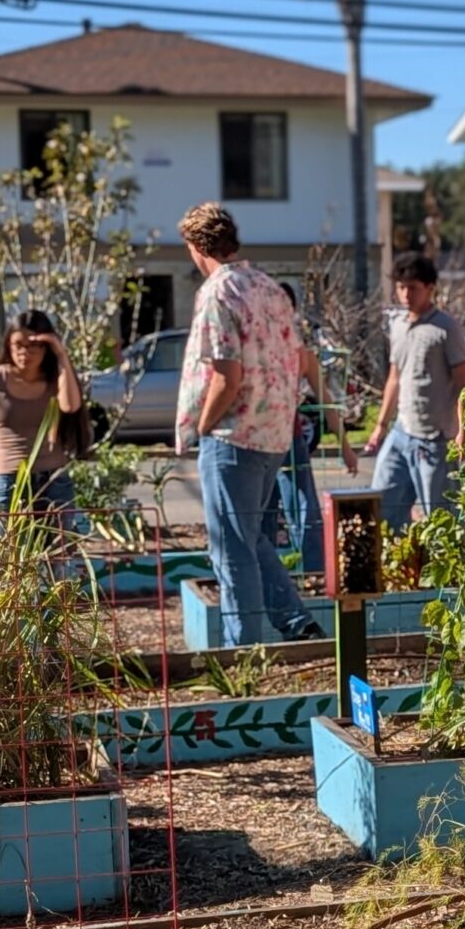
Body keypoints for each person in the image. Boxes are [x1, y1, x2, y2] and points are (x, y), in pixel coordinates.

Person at [175, 202, 322, 645]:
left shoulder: (217, 292)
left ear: (198, 246)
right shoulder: (270, 288)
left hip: (232, 434)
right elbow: (295, 358)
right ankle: (296, 622)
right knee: (253, 537)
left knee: (231, 548)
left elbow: (225, 375)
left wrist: (201, 425)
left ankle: (244, 649)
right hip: (273, 431)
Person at [0, 308, 85, 522]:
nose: (24, 353)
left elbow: (71, 406)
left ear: (46, 348)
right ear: (8, 344)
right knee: (6, 554)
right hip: (9, 482)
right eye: (18, 345)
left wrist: (61, 354)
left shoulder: (56, 379)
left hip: (54, 481)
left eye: (34, 346)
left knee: (59, 555)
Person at [366, 252, 465, 532]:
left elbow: (463, 384)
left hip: (435, 440)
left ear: (429, 288)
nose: (405, 294)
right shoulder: (397, 324)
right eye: (401, 287)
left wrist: (463, 429)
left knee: (441, 524)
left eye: (412, 287)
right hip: (401, 433)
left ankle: (447, 577)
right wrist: (380, 425)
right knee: (380, 511)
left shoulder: (446, 328)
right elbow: (394, 378)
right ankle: (395, 572)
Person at [267, 283, 357, 574]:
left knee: (304, 513)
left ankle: (315, 575)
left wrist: (346, 449)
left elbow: (327, 404)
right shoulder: (252, 350)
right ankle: (266, 577)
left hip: (289, 442)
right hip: (256, 444)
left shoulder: (300, 353)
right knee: (262, 515)